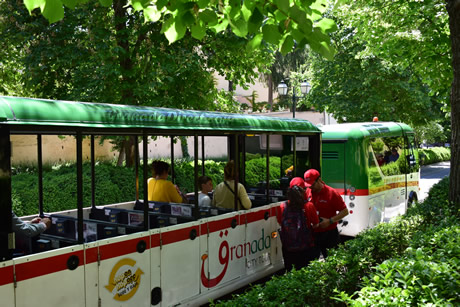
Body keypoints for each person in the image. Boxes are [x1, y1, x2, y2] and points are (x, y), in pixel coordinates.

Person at [304, 169, 349, 258]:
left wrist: (330, 221)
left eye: (312, 185)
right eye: (308, 185)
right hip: (313, 234)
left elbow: (345, 211)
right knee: (312, 262)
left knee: (332, 261)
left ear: (319, 180)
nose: (310, 187)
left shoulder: (331, 193)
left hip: (329, 234)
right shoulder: (308, 192)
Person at [277, 181, 319, 271]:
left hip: (288, 248)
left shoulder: (282, 206)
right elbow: (316, 224)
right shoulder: (309, 206)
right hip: (306, 247)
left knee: (290, 271)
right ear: (303, 191)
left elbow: (279, 222)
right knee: (306, 272)